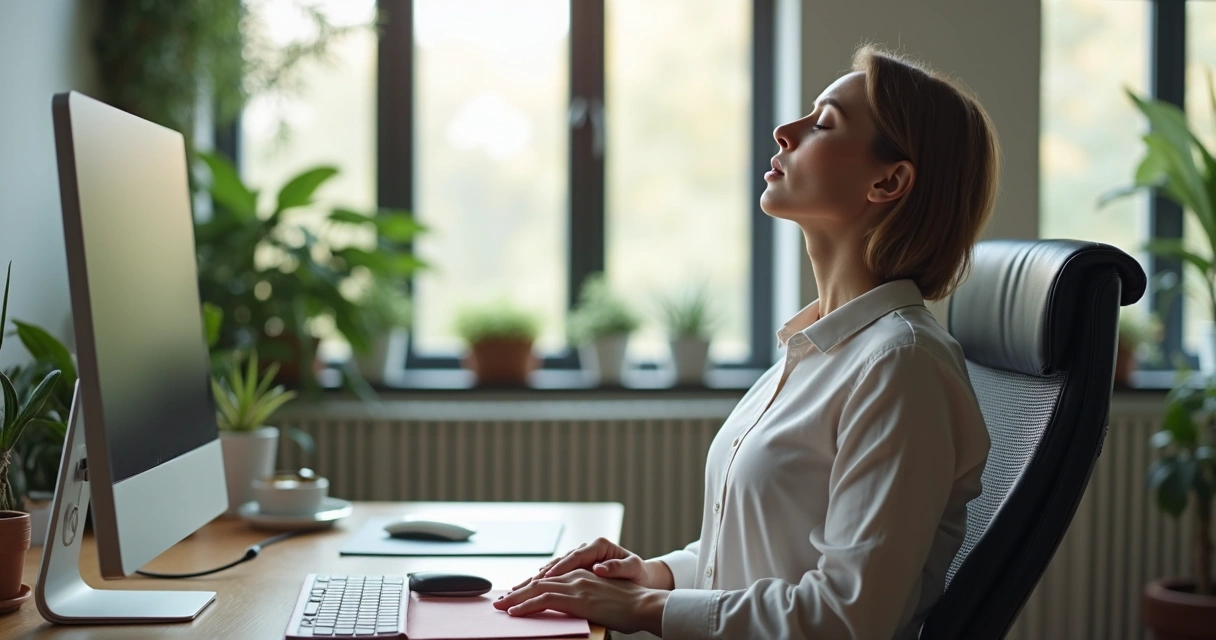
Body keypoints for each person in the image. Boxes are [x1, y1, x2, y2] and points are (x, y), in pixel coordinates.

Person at [493, 44, 999, 640]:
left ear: (889, 181)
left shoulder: (900, 365)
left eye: (825, 123)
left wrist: (643, 612)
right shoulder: (815, 348)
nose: (787, 130)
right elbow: (757, 557)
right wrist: (654, 575)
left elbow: (847, 618)